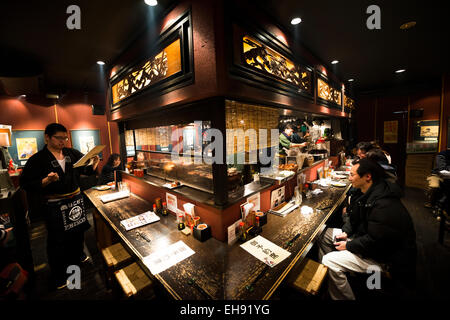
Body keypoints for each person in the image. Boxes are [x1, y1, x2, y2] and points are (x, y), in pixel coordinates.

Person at [318, 158, 417, 300]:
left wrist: (349, 245)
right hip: (367, 241)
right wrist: (346, 233)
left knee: (329, 260)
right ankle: (339, 276)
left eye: (352, 175)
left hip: (386, 258)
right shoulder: (368, 192)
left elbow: (376, 242)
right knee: (323, 234)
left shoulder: (384, 204)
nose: (349, 178)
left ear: (367, 177)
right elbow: (355, 219)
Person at [19, 123, 99, 289]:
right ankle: (59, 276)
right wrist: (46, 180)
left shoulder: (72, 153)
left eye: (65, 138)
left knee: (77, 234)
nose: (63, 141)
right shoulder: (38, 159)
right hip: (55, 205)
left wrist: (94, 163)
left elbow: (85, 171)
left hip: (75, 200)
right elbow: (26, 183)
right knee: (57, 241)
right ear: (47, 137)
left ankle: (77, 262)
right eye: (59, 138)